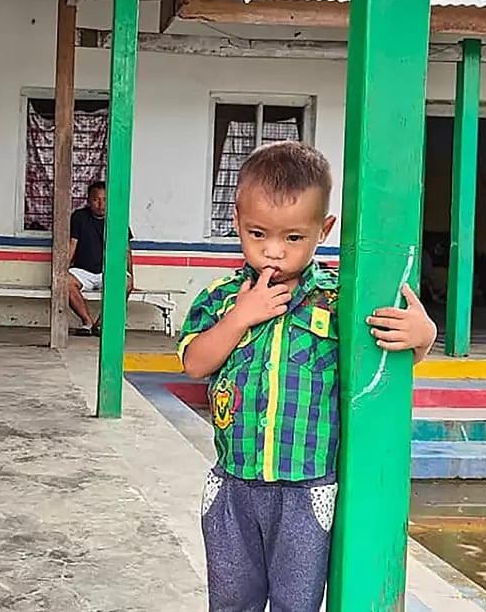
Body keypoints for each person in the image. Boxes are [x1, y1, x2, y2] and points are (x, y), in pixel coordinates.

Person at [176, 141, 437, 611]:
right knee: (231, 601)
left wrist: (423, 335)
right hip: (234, 486)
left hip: (306, 490)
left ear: (324, 230)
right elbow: (195, 362)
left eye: (293, 237)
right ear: (237, 222)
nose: (273, 251)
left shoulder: (340, 299)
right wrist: (239, 318)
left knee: (297, 604)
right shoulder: (220, 297)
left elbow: (384, 363)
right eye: (258, 234)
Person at [67, 180, 134, 335]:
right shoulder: (79, 217)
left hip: (109, 271)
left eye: (104, 199)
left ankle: (102, 323)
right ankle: (87, 321)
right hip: (84, 271)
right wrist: (62, 270)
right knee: (64, 282)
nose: (101, 204)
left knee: (126, 282)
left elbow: (126, 251)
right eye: (96, 199)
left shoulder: (118, 218)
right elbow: (72, 245)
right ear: (88, 200)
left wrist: (132, 277)